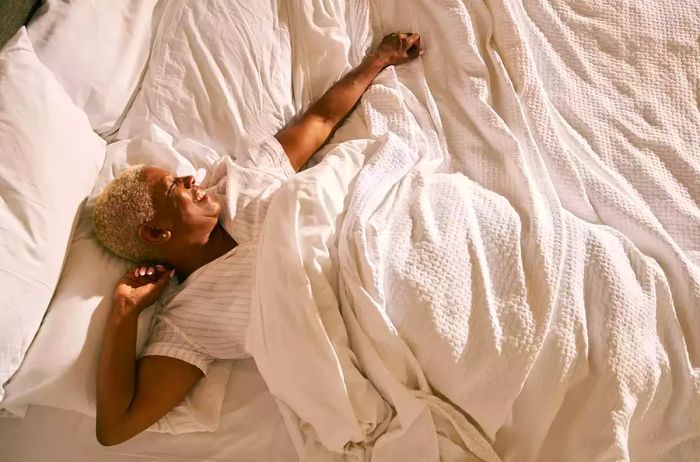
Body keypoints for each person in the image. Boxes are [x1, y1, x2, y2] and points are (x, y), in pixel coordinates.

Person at [93, 32, 424, 446]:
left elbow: (320, 121)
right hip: (369, 319)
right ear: (157, 233)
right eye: (173, 186)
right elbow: (115, 427)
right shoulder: (189, 322)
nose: (190, 178)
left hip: (382, 232)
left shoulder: (242, 179)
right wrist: (124, 313)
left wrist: (377, 60)